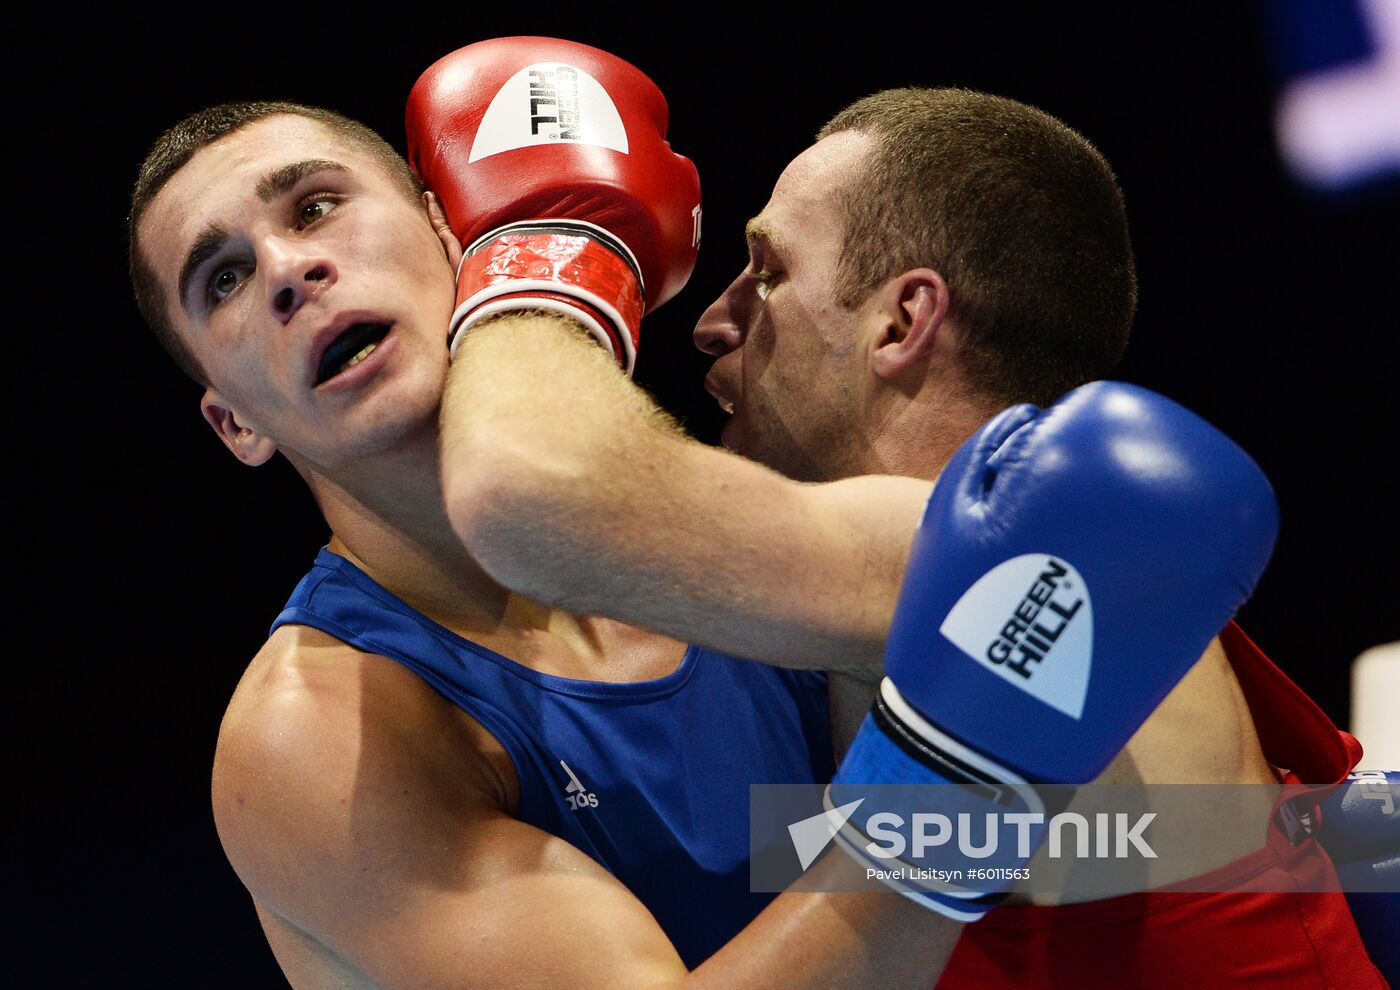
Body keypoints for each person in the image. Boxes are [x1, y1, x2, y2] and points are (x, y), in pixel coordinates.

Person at [434, 82, 1390, 986]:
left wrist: (545, 252)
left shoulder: (1023, 571)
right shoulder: (845, 633)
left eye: (767, 271)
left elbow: (530, 494)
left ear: (903, 320)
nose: (712, 323)